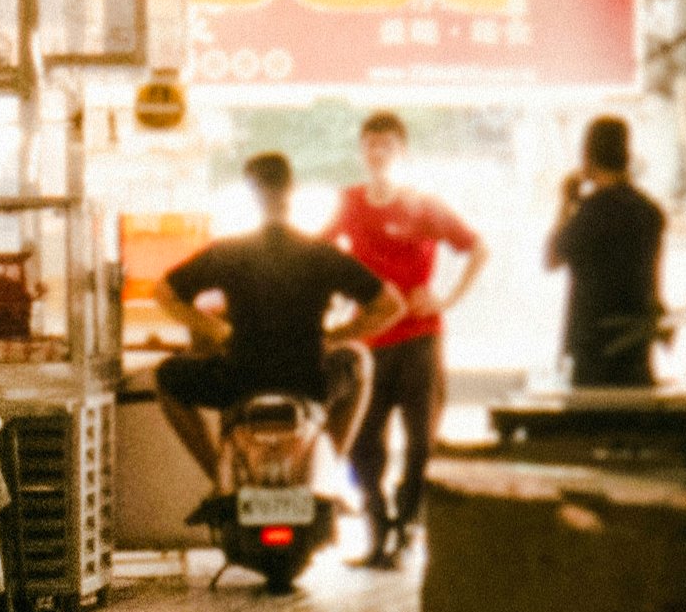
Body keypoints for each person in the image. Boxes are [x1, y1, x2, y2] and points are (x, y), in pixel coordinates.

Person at [154, 152, 413, 514]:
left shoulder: (231, 251)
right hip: (308, 379)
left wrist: (215, 330)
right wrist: (339, 336)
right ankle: (329, 470)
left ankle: (219, 480)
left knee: (166, 377)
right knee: (361, 360)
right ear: (292, 190)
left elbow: (163, 293)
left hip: (240, 379)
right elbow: (391, 306)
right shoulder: (321, 253)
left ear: (252, 193)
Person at [321, 110, 482, 569]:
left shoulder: (424, 204)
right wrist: (333, 300)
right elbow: (323, 251)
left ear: (401, 151)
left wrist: (446, 298)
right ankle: (377, 527)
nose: (378, 153)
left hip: (419, 340)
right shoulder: (350, 201)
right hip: (371, 341)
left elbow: (477, 247)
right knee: (363, 439)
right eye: (371, 144)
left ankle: (406, 528)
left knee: (421, 443)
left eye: (387, 145)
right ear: (361, 150)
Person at [549, 114, 669, 390]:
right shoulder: (650, 213)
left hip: (592, 346)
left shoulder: (590, 213)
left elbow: (553, 258)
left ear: (587, 157)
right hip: (636, 344)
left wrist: (565, 204)